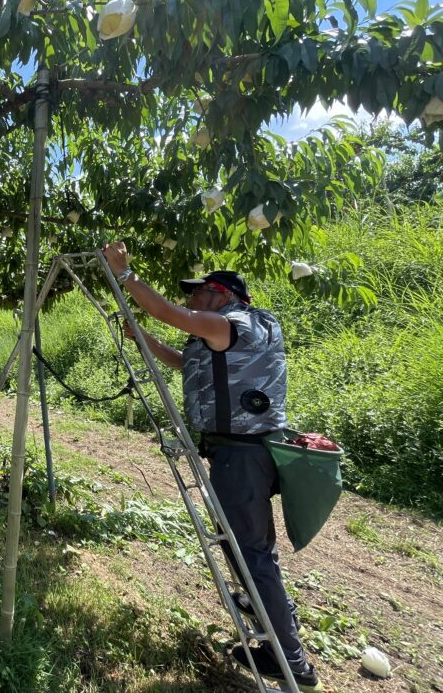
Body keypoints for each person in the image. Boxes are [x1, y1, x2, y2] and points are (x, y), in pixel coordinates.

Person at [102, 242, 322, 693]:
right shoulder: (222, 338)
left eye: (197, 294)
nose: (189, 301)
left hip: (243, 456)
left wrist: (125, 275)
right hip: (238, 454)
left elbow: (168, 313)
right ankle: (272, 612)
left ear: (221, 295)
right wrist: (144, 341)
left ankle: (290, 661)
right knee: (249, 548)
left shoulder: (233, 325)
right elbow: (186, 362)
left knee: (253, 553)